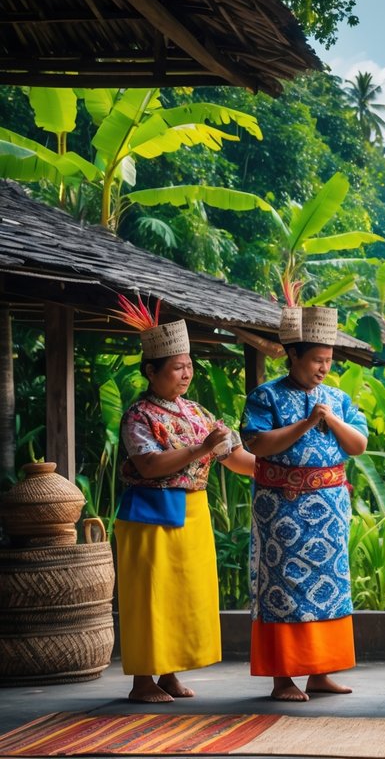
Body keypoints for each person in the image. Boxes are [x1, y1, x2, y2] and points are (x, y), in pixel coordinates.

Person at [112, 300, 255, 703]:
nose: (187, 373)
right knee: (148, 595)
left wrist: (281, 471)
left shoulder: (196, 412)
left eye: (189, 365)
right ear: (151, 372)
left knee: (178, 595)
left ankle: (169, 674)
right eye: (177, 367)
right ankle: (142, 681)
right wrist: (198, 450)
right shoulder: (137, 415)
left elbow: (235, 458)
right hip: (149, 512)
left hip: (192, 511)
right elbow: (149, 465)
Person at [242, 304, 368, 702]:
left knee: (328, 586)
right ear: (294, 356)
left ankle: (320, 672)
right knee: (285, 586)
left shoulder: (338, 399)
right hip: (282, 508)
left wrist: (330, 420)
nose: (324, 368)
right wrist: (307, 423)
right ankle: (283, 677)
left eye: (328, 361)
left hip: (330, 509)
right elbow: (257, 444)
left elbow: (359, 445)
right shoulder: (267, 396)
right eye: (316, 360)